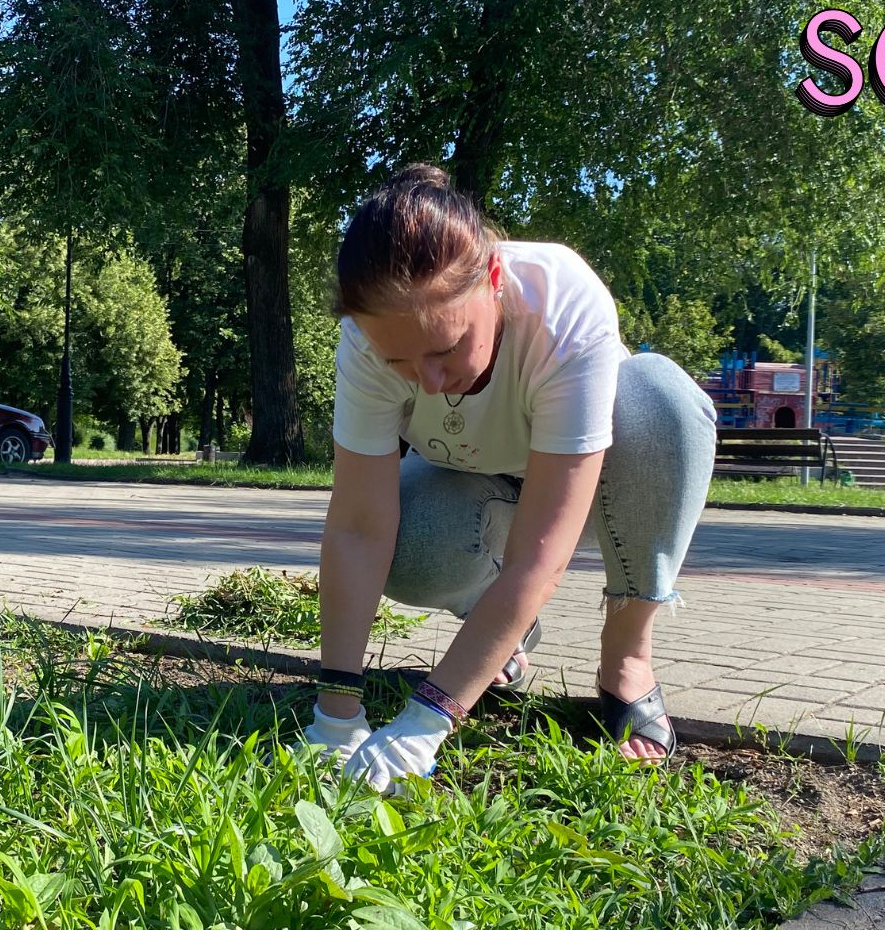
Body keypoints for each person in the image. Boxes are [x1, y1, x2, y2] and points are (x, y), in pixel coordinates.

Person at [299, 164, 718, 794]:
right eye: (400, 361)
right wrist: (337, 712)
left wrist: (428, 716)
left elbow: (540, 557)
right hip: (475, 480)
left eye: (445, 349)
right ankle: (502, 633)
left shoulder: (562, 301)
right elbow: (359, 526)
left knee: (661, 400)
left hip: (599, 473)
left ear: (493, 279)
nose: (429, 381)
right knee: (409, 540)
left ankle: (627, 652)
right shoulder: (363, 337)